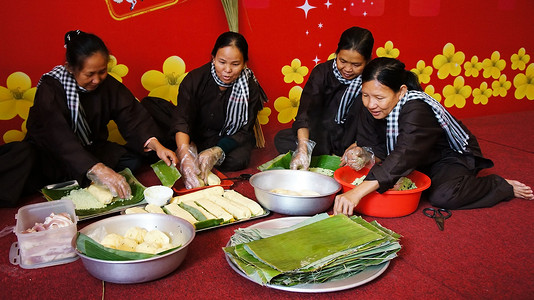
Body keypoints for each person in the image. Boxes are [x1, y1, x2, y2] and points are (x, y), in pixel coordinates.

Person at [334, 57, 534, 216]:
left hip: (445, 157)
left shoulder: (417, 108)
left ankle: (499, 186)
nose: (370, 104)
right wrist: (363, 153)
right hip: (412, 157)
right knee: (379, 176)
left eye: (379, 98)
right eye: (365, 95)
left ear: (401, 92)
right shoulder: (370, 104)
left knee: (443, 196)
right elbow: (373, 145)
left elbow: (405, 153)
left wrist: (356, 193)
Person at [0, 30, 177, 207]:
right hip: (51, 157)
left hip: (88, 149)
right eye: (89, 74)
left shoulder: (107, 84)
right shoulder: (51, 88)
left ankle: (78, 178)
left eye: (102, 72)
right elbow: (58, 137)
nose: (97, 80)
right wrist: (96, 168)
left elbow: (131, 115)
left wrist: (157, 145)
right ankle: (79, 176)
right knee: (20, 157)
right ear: (71, 68)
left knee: (131, 160)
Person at [142, 31, 266, 189]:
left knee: (240, 158)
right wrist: (185, 150)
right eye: (222, 62)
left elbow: (244, 130)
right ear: (213, 57)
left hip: (220, 138)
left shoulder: (249, 88)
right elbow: (182, 119)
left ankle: (204, 155)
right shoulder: (195, 79)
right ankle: (187, 149)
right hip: (192, 133)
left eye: (235, 64)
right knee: (151, 105)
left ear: (244, 63)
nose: (227, 70)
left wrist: (217, 151)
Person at [273, 26, 382, 170]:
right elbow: (305, 114)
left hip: (354, 138)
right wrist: (303, 149)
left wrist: (359, 146)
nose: (348, 69)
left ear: (368, 60)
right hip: (322, 136)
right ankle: (328, 154)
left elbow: (378, 121)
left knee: (375, 149)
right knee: (282, 138)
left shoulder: (373, 79)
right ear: (336, 53)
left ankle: (349, 154)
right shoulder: (322, 72)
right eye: (342, 61)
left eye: (356, 65)